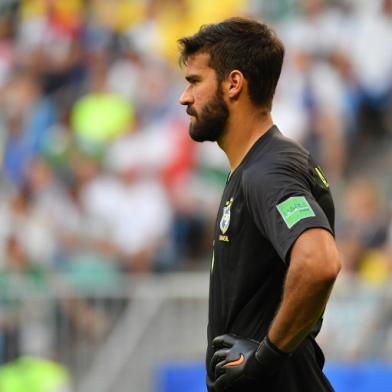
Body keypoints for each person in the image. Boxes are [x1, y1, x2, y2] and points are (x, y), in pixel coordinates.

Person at [178, 17, 341, 391]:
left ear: (233, 83)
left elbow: (319, 262)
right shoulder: (255, 168)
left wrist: (264, 358)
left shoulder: (268, 170)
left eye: (194, 82)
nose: (184, 97)